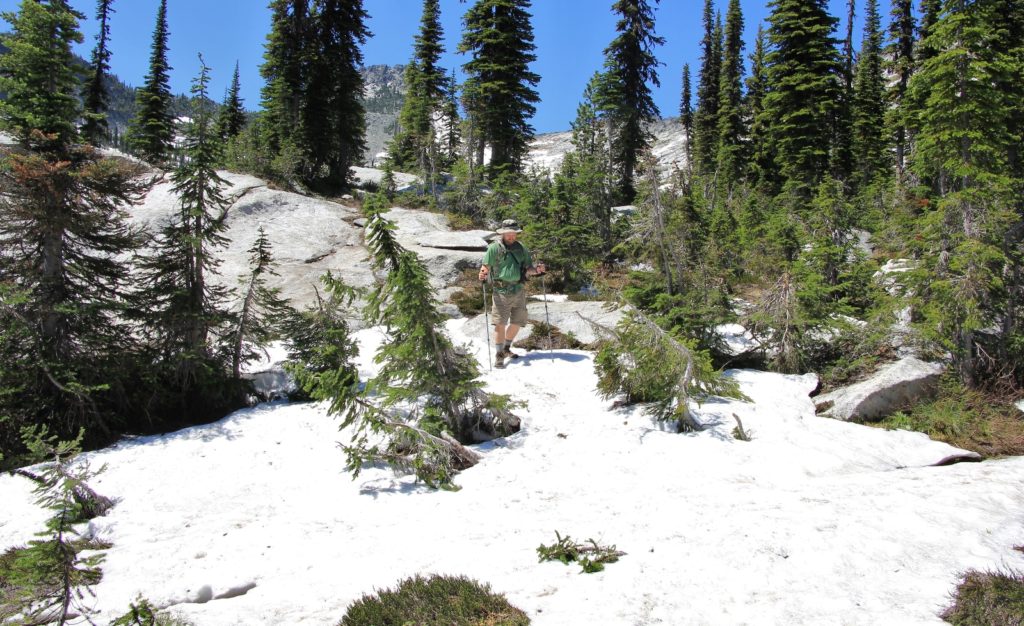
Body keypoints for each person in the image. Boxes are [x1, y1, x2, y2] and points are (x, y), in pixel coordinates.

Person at [478, 219, 545, 368]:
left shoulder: (521, 248)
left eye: (514, 234)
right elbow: (485, 266)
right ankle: (499, 354)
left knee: (517, 322)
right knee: (500, 323)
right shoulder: (494, 248)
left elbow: (528, 268)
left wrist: (537, 271)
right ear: (503, 233)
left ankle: (507, 348)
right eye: (509, 234)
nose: (511, 237)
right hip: (501, 291)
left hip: (518, 290)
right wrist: (482, 273)